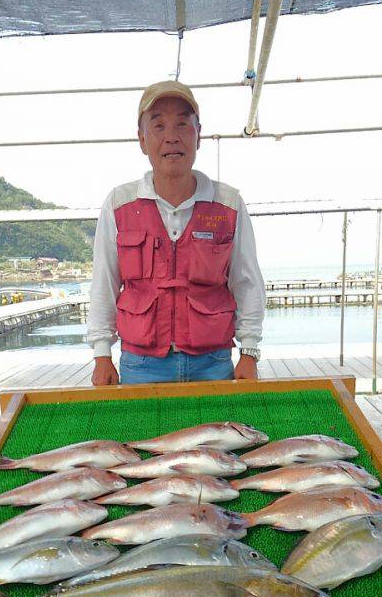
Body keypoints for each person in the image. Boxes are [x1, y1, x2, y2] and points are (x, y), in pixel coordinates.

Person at [88, 80, 265, 386]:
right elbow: (104, 281)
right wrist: (102, 354)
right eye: (158, 126)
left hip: (213, 362)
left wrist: (249, 351)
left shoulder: (229, 204)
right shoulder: (119, 204)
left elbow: (247, 282)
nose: (171, 137)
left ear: (198, 135)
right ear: (142, 140)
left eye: (183, 124)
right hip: (141, 365)